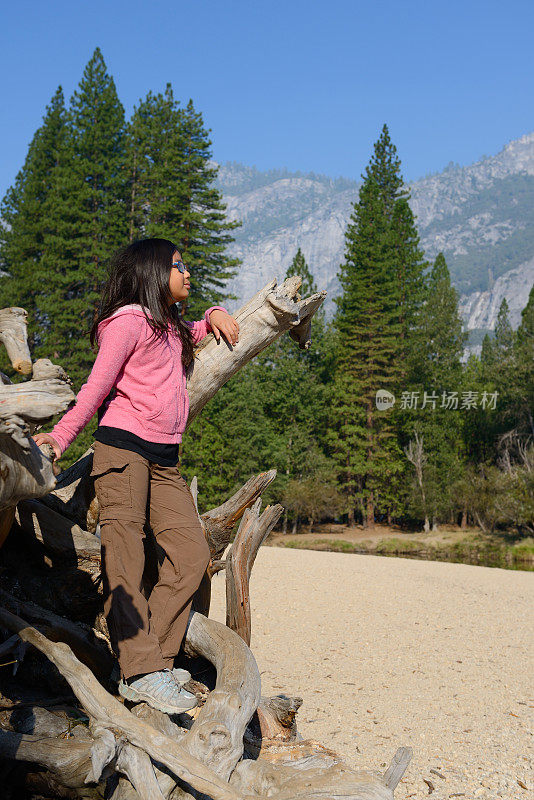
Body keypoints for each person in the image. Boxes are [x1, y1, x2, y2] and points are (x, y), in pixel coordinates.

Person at [33, 238, 239, 715]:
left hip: (166, 461)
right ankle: (140, 668)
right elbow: (95, 387)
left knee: (191, 555)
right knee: (123, 560)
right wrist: (61, 437)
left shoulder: (168, 326)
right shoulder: (128, 322)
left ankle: (151, 666)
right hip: (123, 451)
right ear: (151, 272)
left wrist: (216, 312)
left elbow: (198, 330)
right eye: (177, 265)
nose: (187, 272)